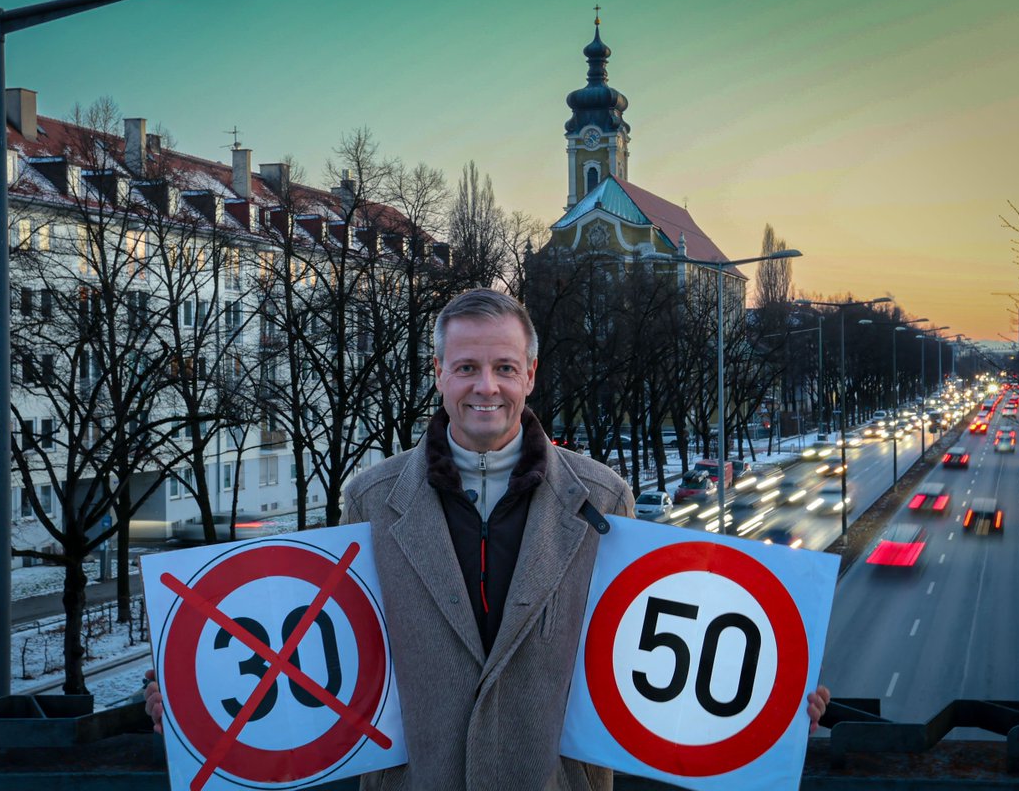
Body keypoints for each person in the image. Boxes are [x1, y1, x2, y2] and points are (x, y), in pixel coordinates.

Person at [145, 288, 829, 789]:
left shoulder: (603, 497)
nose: (486, 387)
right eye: (467, 367)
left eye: (504, 368)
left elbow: (651, 646)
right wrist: (185, 694)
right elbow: (324, 643)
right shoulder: (370, 499)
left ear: (530, 376)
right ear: (438, 375)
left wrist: (773, 701)